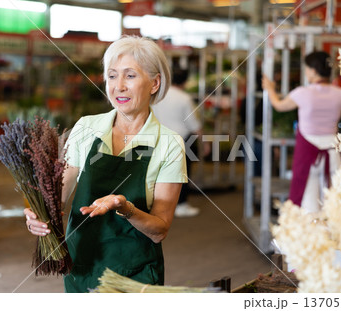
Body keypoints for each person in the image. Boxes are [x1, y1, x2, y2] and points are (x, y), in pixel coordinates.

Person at [24, 36, 187, 293]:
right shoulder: (87, 127)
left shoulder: (169, 144)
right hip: (81, 267)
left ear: (155, 83)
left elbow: (159, 230)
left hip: (135, 274)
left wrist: (125, 207)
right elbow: (60, 195)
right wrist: (39, 215)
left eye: (130, 76)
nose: (118, 86)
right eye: (112, 76)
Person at [262, 51, 341, 213]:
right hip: (332, 154)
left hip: (307, 156)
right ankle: (330, 236)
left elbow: (278, 105)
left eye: (306, 68)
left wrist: (270, 89)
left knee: (308, 203)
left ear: (313, 70)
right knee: (332, 203)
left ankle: (311, 236)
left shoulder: (302, 93)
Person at [153, 67, 207, 217]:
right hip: (180, 140)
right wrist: (205, 142)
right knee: (181, 174)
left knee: (159, 173)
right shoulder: (184, 98)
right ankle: (180, 205)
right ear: (185, 81)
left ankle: (159, 204)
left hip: (158, 138)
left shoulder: (157, 95)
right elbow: (193, 123)